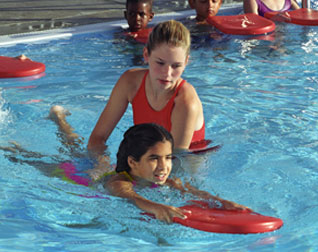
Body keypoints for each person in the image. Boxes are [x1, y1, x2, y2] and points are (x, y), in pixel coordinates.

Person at [88, 20, 206, 154]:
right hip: (149, 157)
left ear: (186, 63)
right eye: (160, 63)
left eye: (176, 66)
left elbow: (176, 163)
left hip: (186, 162)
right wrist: (101, 164)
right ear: (146, 55)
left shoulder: (185, 103)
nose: (167, 73)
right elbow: (97, 138)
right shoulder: (130, 83)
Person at [105, 123, 249, 223]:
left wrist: (222, 202)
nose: (164, 167)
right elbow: (131, 197)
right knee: (97, 165)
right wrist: (157, 207)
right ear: (132, 162)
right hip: (91, 180)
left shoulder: (170, 181)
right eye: (154, 158)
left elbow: (192, 192)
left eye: (168, 158)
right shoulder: (119, 182)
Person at [243, 0, 318, 17]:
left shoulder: (288, 1)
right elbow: (254, 25)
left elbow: (303, 15)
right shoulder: (253, 1)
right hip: (266, 43)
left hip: (286, 37)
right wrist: (272, 19)